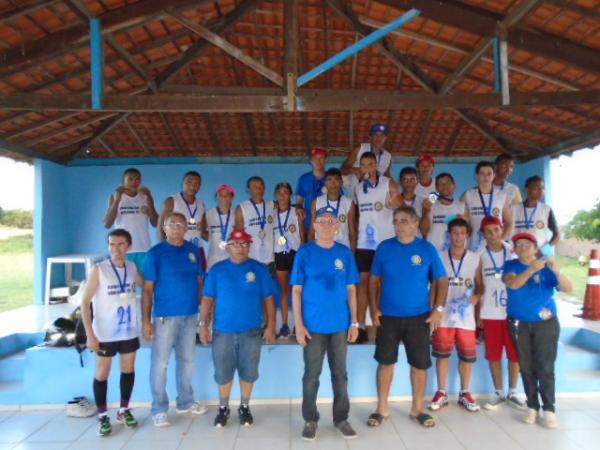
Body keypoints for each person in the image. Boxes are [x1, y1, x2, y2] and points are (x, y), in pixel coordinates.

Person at [367, 206, 448, 428]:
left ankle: (417, 408)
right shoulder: (384, 248)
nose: (399, 225)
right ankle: (381, 408)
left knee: (419, 365)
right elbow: (373, 281)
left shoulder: (427, 249)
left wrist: (438, 309)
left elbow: (442, 280)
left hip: (419, 317)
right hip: (388, 317)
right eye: (396, 221)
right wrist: (374, 308)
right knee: (385, 363)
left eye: (404, 221)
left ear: (415, 223)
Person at [291, 206, 360, 441]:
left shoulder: (345, 253)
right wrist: (298, 325)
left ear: (338, 226)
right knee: (311, 375)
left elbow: (352, 290)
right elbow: (296, 291)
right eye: (322, 221)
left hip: (340, 326)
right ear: (315, 225)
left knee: (340, 374)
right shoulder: (304, 253)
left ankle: (341, 419)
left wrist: (355, 322)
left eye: (332, 221)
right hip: (312, 327)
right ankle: (310, 419)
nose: (328, 225)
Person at [200, 228, 276, 428]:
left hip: (251, 332)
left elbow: (269, 299)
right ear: (228, 247)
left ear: (249, 246)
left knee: (249, 372)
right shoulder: (217, 270)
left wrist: (270, 327)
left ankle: (244, 407)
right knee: (223, 372)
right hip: (222, 332)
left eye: (244, 244)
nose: (240, 248)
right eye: (236, 244)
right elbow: (207, 299)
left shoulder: (259, 269)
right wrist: (203, 326)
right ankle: (223, 408)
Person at [142, 212, 206, 427]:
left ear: (187, 228)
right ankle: (159, 408)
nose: (177, 227)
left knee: (187, 360)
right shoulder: (155, 254)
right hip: (164, 317)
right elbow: (148, 290)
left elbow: (199, 281)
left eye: (181, 224)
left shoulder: (193, 250)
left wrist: (199, 308)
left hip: (190, 314)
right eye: (172, 224)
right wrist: (146, 320)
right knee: (160, 363)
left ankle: (185, 402)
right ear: (165, 228)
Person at [504, 232, 572, 428]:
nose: (523, 247)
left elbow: (568, 288)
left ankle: (549, 409)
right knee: (526, 366)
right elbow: (513, 284)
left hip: (546, 324)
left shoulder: (547, 267)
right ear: (514, 250)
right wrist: (530, 271)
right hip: (519, 324)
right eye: (519, 245)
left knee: (545, 367)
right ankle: (532, 406)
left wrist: (557, 271)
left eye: (528, 244)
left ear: (535, 248)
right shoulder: (511, 266)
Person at [81, 229, 144, 436]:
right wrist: (90, 334)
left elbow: (147, 286)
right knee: (102, 373)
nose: (115, 249)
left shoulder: (133, 267)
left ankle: (123, 410)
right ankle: (102, 415)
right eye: (111, 244)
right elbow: (84, 302)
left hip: (128, 330)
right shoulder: (99, 270)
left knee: (128, 369)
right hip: (105, 333)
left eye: (120, 244)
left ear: (129, 246)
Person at [428, 218, 482, 412]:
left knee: (466, 357)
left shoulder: (475, 258)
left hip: (466, 317)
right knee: (442, 355)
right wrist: (433, 309)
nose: (458, 237)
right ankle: (441, 392)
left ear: (467, 235)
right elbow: (434, 284)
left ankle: (465, 392)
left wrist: (476, 296)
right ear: (449, 235)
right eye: (455, 233)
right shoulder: (440, 256)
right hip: (443, 316)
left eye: (462, 233)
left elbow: (480, 284)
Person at [476, 216, 525, 410]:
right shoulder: (479, 254)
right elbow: (478, 284)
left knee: (515, 354)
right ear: (483, 233)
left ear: (502, 229)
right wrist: (478, 312)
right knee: (494, 354)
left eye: (496, 230)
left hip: (513, 312)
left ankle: (513, 391)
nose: (493, 234)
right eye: (488, 231)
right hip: (490, 312)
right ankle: (498, 392)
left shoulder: (513, 252)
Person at [354, 152, 402, 343]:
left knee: (383, 283)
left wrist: (394, 203)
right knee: (362, 283)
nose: (367, 168)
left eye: (370, 164)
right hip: (364, 243)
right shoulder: (357, 188)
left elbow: (401, 205)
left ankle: (383, 325)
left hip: (385, 243)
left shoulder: (387, 183)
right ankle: (358, 326)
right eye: (363, 165)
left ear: (376, 166)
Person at [103, 167, 158, 273]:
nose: (134, 182)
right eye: (130, 179)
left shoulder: (145, 197)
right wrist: (117, 199)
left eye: (137, 179)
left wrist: (149, 200)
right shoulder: (115, 197)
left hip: (143, 248)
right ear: (123, 181)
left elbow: (155, 223)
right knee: (125, 282)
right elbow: (107, 224)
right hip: (123, 249)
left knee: (144, 282)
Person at [273, 182, 305, 339]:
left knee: (299, 289)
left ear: (290, 195)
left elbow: (302, 232)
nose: (283, 195)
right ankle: (285, 325)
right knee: (284, 290)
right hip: (279, 254)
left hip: (296, 253)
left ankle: (301, 324)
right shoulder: (271, 212)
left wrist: (304, 251)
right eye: (280, 192)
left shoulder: (296, 211)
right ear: (276, 195)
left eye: (286, 192)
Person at [158, 171, 206, 266]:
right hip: (177, 248)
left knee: (199, 279)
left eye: (196, 184)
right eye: (189, 182)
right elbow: (161, 227)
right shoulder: (172, 201)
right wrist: (165, 249)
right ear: (182, 183)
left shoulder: (201, 204)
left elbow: (202, 230)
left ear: (200, 186)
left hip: (197, 249)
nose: (192, 186)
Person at [463, 161, 513, 252]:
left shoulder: (502, 196)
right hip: (474, 244)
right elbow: (464, 222)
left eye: (489, 173)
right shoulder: (468, 195)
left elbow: (509, 223)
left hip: (496, 244)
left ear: (494, 175)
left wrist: (501, 240)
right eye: (482, 173)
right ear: (477, 176)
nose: (486, 177)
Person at [310, 168, 356, 250]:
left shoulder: (349, 203)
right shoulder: (316, 202)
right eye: (329, 180)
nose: (333, 183)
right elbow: (312, 231)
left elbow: (352, 233)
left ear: (341, 183)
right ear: (325, 183)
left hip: (342, 248)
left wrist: (351, 255)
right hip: (321, 248)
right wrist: (311, 252)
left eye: (336, 179)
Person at [341, 123, 393, 196]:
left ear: (386, 138)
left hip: (375, 197)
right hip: (355, 196)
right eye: (375, 135)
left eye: (382, 135)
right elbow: (342, 170)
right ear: (370, 136)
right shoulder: (360, 148)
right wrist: (354, 170)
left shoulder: (388, 157)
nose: (378, 138)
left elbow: (387, 177)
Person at [235, 176, 275, 268]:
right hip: (251, 257)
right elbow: (238, 235)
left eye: (261, 187)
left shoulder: (272, 204)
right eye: (255, 187)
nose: (259, 189)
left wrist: (298, 208)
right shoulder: (242, 208)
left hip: (271, 258)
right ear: (248, 190)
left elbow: (286, 208)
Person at [512, 176, 559, 252]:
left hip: (539, 257)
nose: (541, 191)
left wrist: (544, 251)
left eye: (542, 188)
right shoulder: (513, 209)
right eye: (537, 188)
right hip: (518, 255)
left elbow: (557, 235)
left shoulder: (546, 209)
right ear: (527, 190)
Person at [420, 172, 466, 252]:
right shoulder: (429, 204)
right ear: (436, 188)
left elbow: (468, 232)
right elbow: (423, 232)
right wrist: (427, 210)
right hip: (433, 253)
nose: (444, 186)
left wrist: (463, 221)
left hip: (454, 254)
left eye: (447, 183)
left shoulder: (462, 206)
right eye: (440, 184)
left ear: (454, 186)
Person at [295, 147, 328, 233]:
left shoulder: (331, 178)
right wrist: (298, 208)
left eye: (321, 158)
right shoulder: (303, 179)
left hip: (328, 225)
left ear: (326, 160)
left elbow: (339, 200)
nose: (318, 161)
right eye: (315, 158)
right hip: (309, 226)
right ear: (310, 160)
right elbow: (299, 202)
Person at [204, 184, 236, 270]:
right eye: (220, 195)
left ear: (232, 197)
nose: (224, 197)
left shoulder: (237, 214)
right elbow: (204, 234)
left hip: (232, 259)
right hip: (213, 260)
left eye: (227, 195)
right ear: (216, 197)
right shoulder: (208, 214)